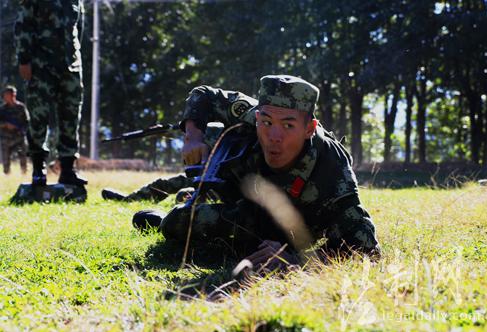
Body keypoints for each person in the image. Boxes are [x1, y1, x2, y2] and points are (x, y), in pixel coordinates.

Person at [134, 75, 381, 271]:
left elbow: (365, 245)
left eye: (288, 125)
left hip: (290, 225)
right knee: (175, 223)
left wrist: (296, 261)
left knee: (242, 242)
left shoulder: (332, 169)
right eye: (266, 123)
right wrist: (192, 136)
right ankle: (176, 210)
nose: (274, 137)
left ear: (309, 128)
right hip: (245, 192)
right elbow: (204, 95)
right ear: (258, 117)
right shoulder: (252, 114)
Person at [15, 0, 86, 186]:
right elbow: (23, 24)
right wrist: (24, 59)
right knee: (39, 118)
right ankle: (39, 169)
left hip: (70, 66)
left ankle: (68, 170)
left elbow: (79, 27)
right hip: (41, 65)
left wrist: (76, 56)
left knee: (71, 117)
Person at [0, 86, 29, 174]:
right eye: (4, 95)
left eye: (7, 95)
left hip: (19, 137)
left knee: (23, 159)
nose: (5, 97)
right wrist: (5, 124)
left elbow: (27, 121)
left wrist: (22, 130)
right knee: (6, 161)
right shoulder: (2, 109)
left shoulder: (21, 107)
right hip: (6, 139)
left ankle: (24, 176)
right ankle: (7, 176)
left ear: (13, 95)